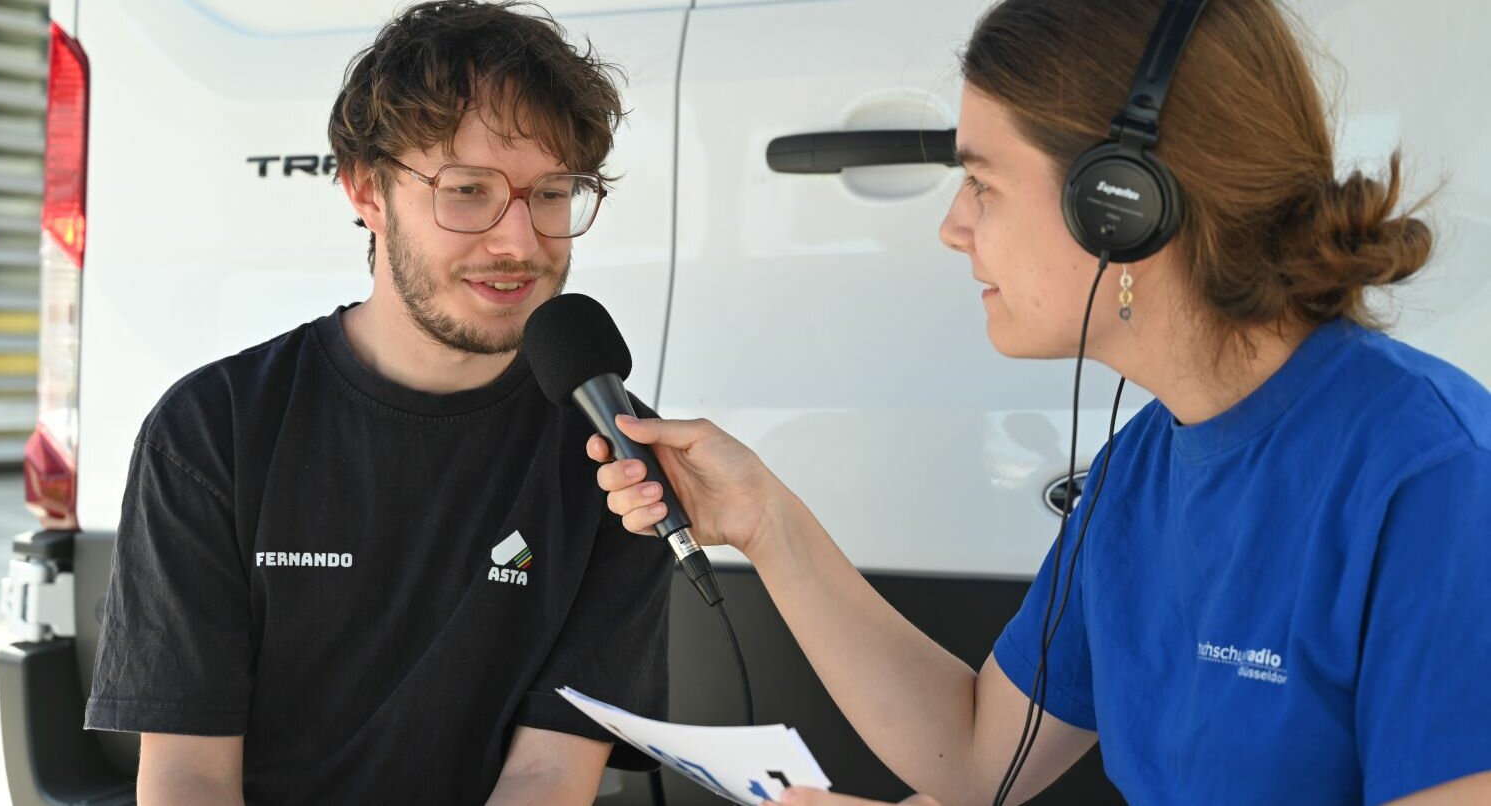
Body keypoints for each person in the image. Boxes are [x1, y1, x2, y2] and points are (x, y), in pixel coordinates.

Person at [588, 0, 1491, 804]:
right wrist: (765, 521)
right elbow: (981, 754)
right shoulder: (1142, 465)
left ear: (1121, 207)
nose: (952, 227)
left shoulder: (1435, 481)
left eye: (982, 182)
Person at [83, 2, 672, 803]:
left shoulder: (617, 452)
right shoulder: (211, 429)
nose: (519, 242)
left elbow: (549, 774)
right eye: (468, 190)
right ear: (367, 190)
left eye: (552, 193)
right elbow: (187, 775)